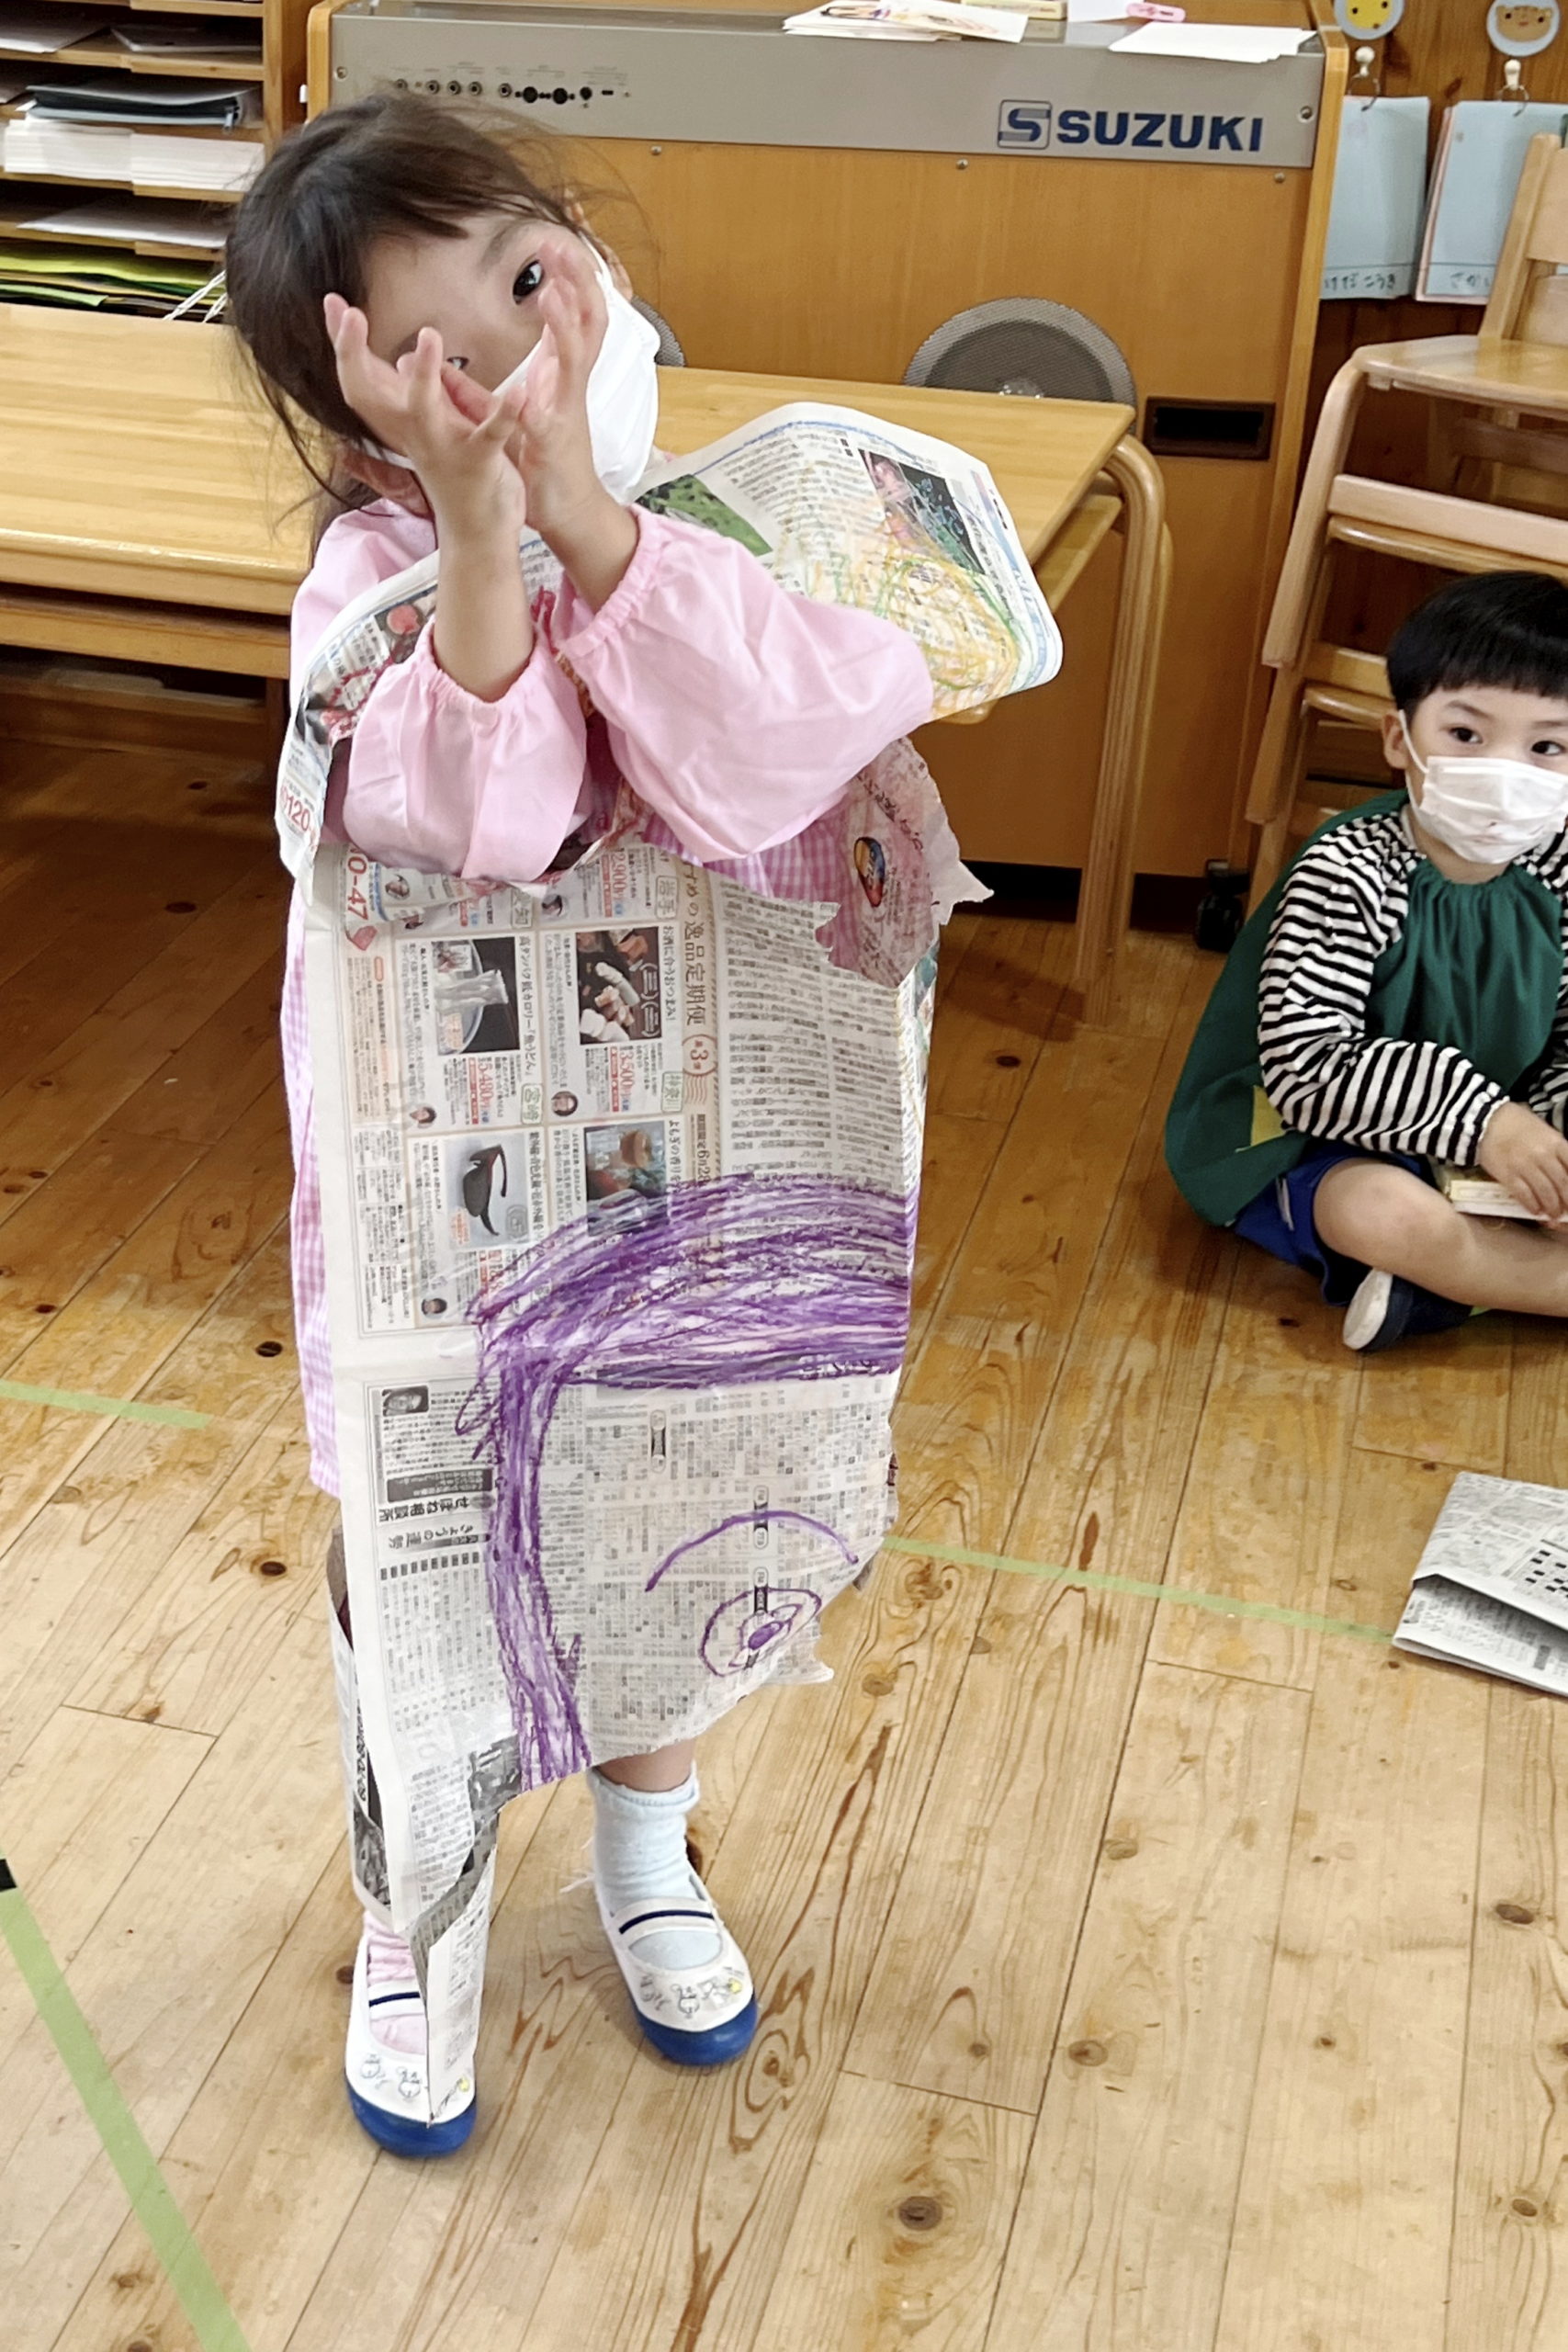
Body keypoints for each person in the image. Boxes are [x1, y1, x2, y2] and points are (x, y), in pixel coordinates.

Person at [225, 93, 936, 2154]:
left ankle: (646, 1842)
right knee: (421, 1538)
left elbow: (790, 739)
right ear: (365, 419)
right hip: (451, 1210)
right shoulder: (370, 576)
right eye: (447, 359)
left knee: (669, 1500)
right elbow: (495, 814)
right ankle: (415, 1900)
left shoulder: (707, 524)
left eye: (535, 280)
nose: (526, 362)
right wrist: (478, 530)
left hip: (685, 1184)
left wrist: (584, 515)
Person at [1166, 570, 1568, 1352]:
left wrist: (1552, 1140)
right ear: (1397, 739)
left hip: (1491, 1145)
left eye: (1546, 746)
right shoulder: (1348, 869)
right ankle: (1490, 1281)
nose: (1505, 770)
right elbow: (1307, 1068)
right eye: (1465, 735)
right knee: (1381, 1212)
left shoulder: (1556, 872)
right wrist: (1486, 1121)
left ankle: (1446, 1292)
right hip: (1309, 1135)